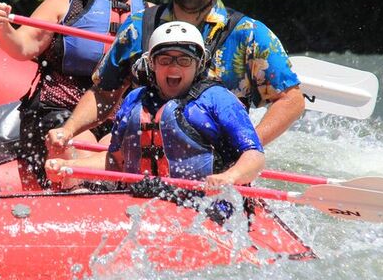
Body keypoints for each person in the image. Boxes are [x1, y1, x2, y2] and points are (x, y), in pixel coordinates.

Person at [47, 0, 304, 155]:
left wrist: (246, 148)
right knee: (91, 150)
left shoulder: (248, 34)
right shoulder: (139, 27)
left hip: (214, 164)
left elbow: (291, 101)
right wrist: (68, 130)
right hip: (142, 157)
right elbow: (104, 93)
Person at [0, 0, 148, 187]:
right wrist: (2, 28)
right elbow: (22, 47)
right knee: (83, 145)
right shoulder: (65, 4)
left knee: (124, 142)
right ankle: (79, 189)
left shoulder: (149, 15)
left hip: (115, 114)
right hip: (60, 111)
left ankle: (104, 192)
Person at [45, 21, 264, 190]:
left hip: (204, 206)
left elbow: (254, 155)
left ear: (198, 64)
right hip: (142, 202)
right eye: (165, 60)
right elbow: (116, 160)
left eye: (184, 60)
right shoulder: (135, 100)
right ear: (152, 64)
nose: (173, 67)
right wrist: (70, 167)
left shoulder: (219, 99)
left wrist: (229, 177)